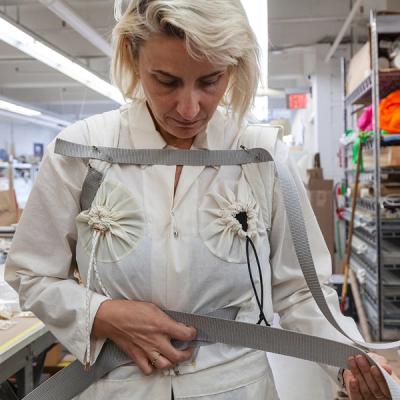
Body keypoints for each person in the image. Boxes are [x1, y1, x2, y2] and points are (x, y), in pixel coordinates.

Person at [4, 1, 395, 399]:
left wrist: (352, 360)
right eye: (166, 81)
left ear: (235, 67)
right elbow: (32, 274)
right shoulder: (81, 151)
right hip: (117, 388)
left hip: (237, 388)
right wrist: (102, 314)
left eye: (210, 81)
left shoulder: (260, 155)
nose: (189, 108)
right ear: (133, 58)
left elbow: (298, 292)